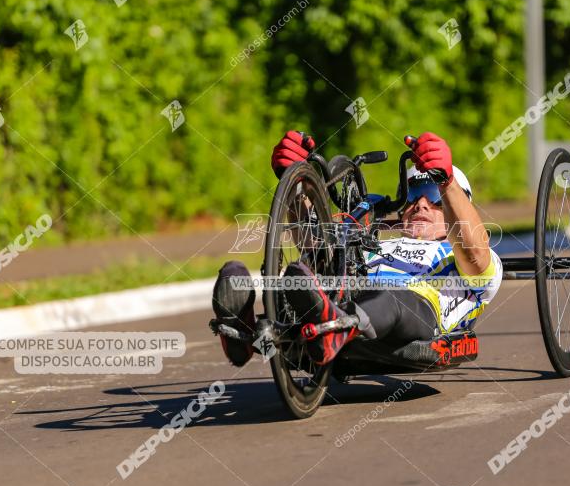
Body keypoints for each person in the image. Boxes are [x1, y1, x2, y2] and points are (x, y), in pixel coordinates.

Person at [212, 130, 503, 366]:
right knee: (311, 270)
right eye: (413, 195)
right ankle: (244, 334)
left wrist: (446, 181)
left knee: (391, 297)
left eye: (433, 195)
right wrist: (295, 180)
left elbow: (475, 256)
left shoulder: (470, 256)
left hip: (417, 312)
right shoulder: (375, 244)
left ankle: (334, 325)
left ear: (457, 204)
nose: (422, 204)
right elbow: (314, 243)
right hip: (345, 299)